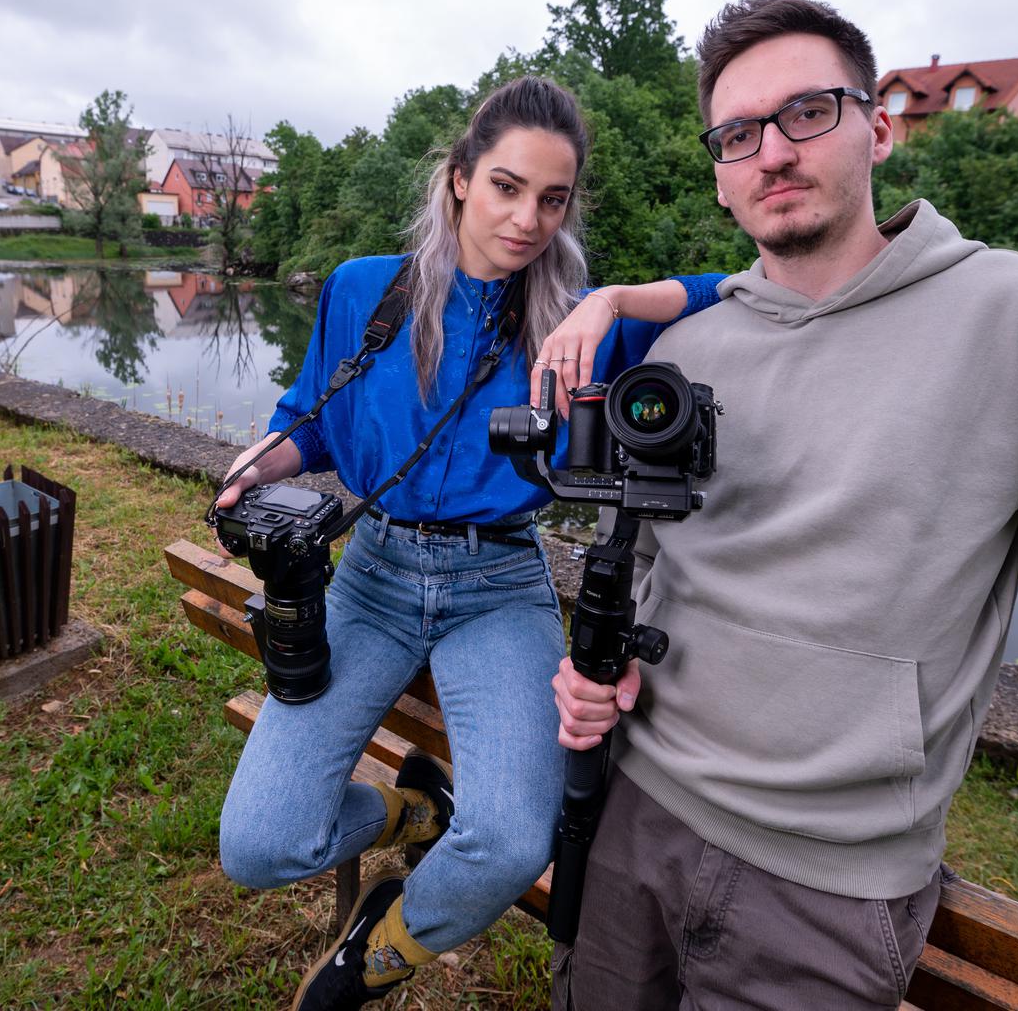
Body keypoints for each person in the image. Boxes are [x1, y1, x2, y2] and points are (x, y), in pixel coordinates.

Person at [547, 0, 1018, 1010]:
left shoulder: (1015, 315)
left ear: (877, 129)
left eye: (806, 112)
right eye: (738, 135)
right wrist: (605, 675)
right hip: (633, 813)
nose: (772, 152)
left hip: (829, 884)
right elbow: (649, 556)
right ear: (719, 177)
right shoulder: (688, 348)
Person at [213, 75, 723, 1010]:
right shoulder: (364, 290)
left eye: (553, 199)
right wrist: (262, 463)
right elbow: (310, 423)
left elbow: (731, 289)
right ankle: (412, 810)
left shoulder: (579, 323)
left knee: (512, 842)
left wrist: (612, 299)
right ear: (459, 177)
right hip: (372, 576)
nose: (528, 220)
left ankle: (383, 948)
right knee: (260, 846)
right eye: (506, 186)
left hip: (500, 585)